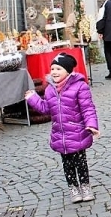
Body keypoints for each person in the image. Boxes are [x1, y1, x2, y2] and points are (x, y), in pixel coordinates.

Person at [24, 53, 100, 204]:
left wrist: (91, 125)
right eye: (52, 68)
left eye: (58, 68)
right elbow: (46, 109)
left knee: (80, 162)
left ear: (68, 71)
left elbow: (88, 108)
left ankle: (85, 186)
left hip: (77, 133)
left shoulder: (80, 86)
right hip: (61, 135)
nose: (54, 72)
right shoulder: (49, 89)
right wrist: (33, 98)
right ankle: (73, 188)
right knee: (67, 164)